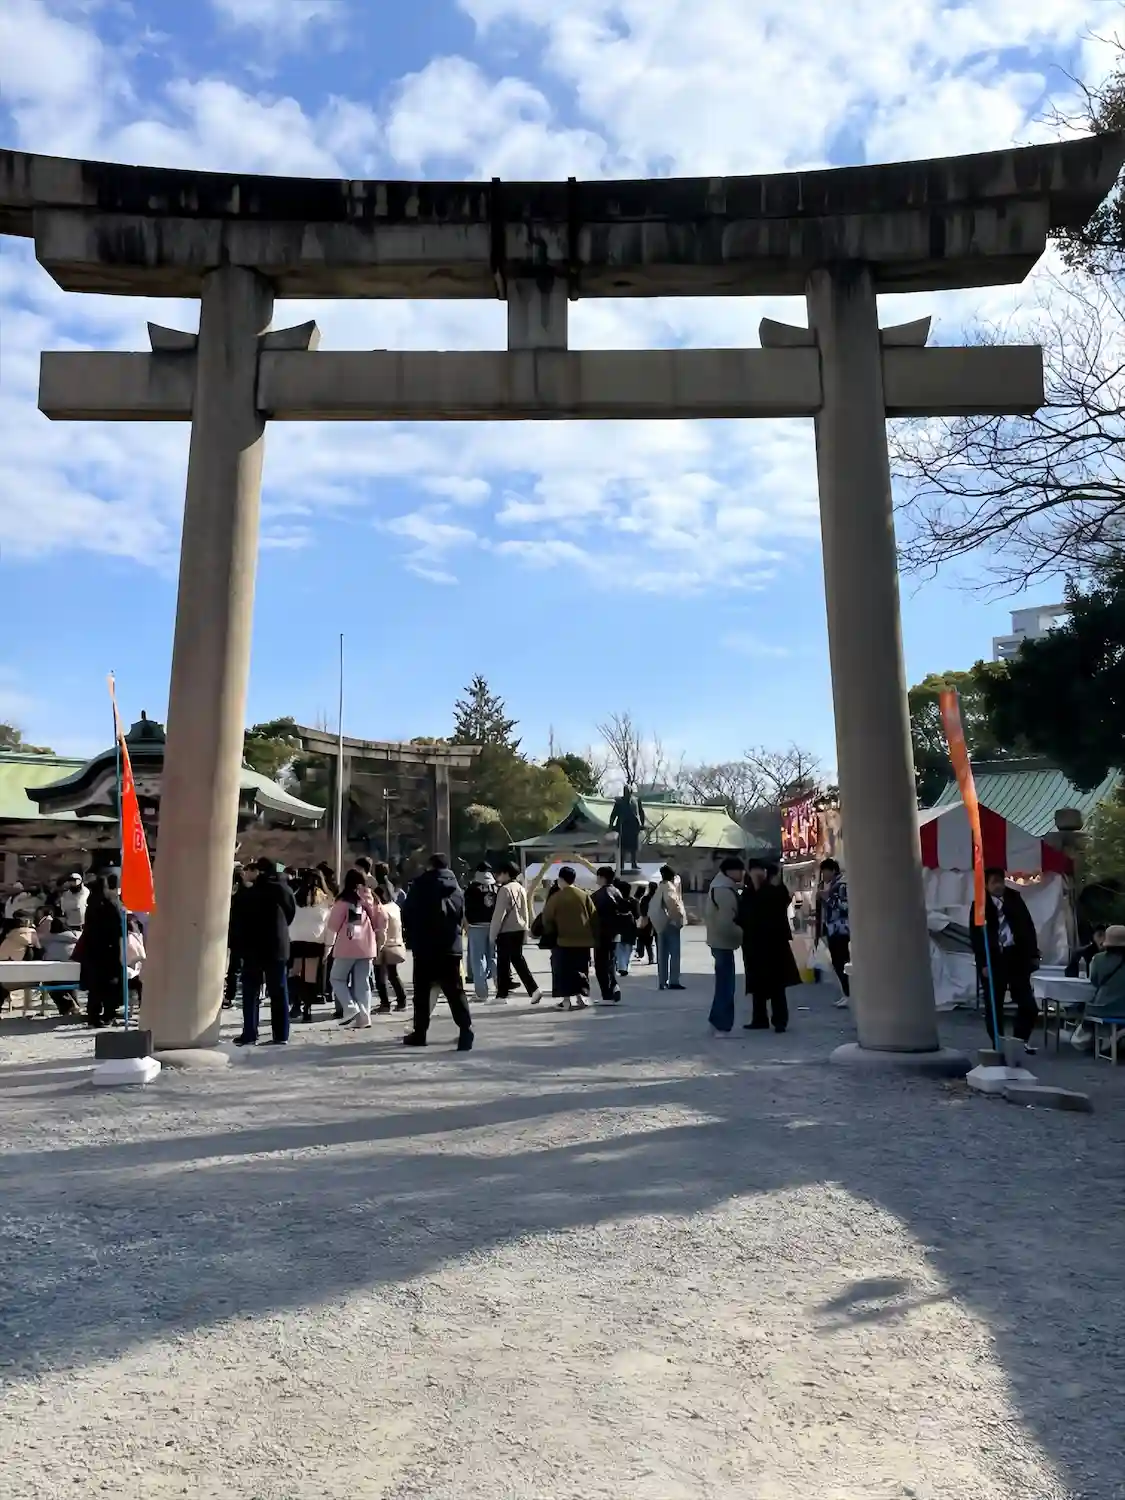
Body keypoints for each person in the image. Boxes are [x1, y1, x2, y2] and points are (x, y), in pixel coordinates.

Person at [401, 854, 474, 1050]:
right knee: (455, 991)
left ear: (430, 866)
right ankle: (465, 1030)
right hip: (451, 947)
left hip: (425, 947)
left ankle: (420, 1033)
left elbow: (408, 912)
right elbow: (461, 915)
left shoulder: (420, 885)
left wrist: (413, 934)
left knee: (422, 993)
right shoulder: (457, 888)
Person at [969, 866, 1040, 1051]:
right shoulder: (980, 904)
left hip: (1016, 957)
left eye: (1000, 881)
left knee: (1028, 1005)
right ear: (986, 885)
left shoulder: (1014, 899)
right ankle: (998, 1044)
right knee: (994, 1007)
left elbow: (1028, 927)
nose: (998, 886)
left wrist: (1034, 954)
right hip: (993, 959)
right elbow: (976, 938)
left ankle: (1019, 1041)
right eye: (994, 882)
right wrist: (982, 963)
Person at [234, 859, 297, 1047]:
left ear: (258, 872)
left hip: (252, 947)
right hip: (277, 946)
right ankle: (281, 1034)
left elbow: (237, 921)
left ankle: (250, 1033)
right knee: (279, 991)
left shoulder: (248, 894)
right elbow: (290, 914)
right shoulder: (284, 890)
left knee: (251, 992)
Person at [739, 861, 798, 1033]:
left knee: (777, 985)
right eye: (753, 872)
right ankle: (759, 1018)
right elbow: (743, 915)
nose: (755, 875)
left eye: (759, 871)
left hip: (774, 945)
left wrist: (765, 886)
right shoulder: (748, 892)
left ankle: (780, 1020)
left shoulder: (775, 890)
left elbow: (782, 902)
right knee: (757, 984)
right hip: (754, 945)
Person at [325, 867, 386, 1028]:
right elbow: (382, 919)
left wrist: (328, 947)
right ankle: (364, 1018)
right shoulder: (372, 899)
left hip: (347, 945)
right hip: (367, 945)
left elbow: (333, 925)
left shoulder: (343, 901)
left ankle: (350, 1007)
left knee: (336, 978)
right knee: (362, 983)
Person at [541, 866, 597, 1011]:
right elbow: (593, 915)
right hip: (584, 941)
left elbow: (547, 918)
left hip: (563, 941)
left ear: (560, 879)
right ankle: (581, 998)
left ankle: (566, 1001)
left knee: (563, 971)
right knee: (581, 970)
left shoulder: (556, 898)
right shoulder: (584, 895)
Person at [489, 863, 542, 1003]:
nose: (497, 876)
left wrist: (492, 934)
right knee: (517, 960)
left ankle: (503, 995)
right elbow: (525, 911)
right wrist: (526, 928)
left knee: (503, 963)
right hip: (519, 929)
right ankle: (532, 990)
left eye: (499, 873)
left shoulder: (504, 890)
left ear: (506, 873)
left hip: (506, 931)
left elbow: (499, 914)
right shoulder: (520, 888)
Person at [79, 875, 126, 1028]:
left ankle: (93, 1016)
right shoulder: (111, 904)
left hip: (92, 949)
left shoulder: (90, 905)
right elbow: (119, 927)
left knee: (95, 985)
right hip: (109, 949)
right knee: (111, 984)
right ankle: (108, 1015)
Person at [705, 857, 744, 1035]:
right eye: (739, 870)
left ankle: (716, 1021)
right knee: (726, 986)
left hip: (718, 941)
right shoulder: (724, 890)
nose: (742, 874)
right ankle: (722, 1025)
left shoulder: (719, 886)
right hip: (723, 942)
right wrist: (742, 933)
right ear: (730, 871)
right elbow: (726, 922)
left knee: (723, 984)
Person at [289, 867, 334, 1022]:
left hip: (296, 939)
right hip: (315, 940)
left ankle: (296, 1004)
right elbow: (330, 926)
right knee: (310, 976)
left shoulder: (296, 897)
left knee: (296, 973)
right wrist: (328, 946)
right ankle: (307, 1009)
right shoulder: (327, 900)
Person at [1072, 924, 1125, 1054]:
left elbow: (1094, 981)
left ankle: (1105, 1039)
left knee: (1085, 1008)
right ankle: (1117, 1037)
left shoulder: (1098, 959)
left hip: (1100, 1007)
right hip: (1123, 1008)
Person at [815, 858, 851, 1007]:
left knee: (841, 961)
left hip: (840, 929)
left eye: (825, 872)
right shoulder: (831, 885)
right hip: (832, 929)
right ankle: (846, 993)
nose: (823, 876)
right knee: (837, 962)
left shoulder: (841, 885)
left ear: (832, 870)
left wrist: (827, 898)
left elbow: (844, 906)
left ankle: (849, 993)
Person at [464, 861, 498, 1001]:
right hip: (493, 925)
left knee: (478, 959)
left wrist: (465, 924)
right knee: (493, 956)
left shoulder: (471, 888)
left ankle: (482, 992)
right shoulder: (496, 888)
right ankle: (500, 987)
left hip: (476, 926)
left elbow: (465, 908)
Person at [648, 865, 686, 991]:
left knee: (662, 954)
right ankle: (674, 981)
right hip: (670, 923)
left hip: (660, 923)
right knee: (674, 953)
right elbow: (673, 904)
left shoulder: (660, 887)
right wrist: (678, 919)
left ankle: (662, 980)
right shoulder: (670, 887)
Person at [591, 866, 626, 1003]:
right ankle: (614, 987)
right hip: (614, 933)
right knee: (610, 962)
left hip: (601, 933)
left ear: (602, 877)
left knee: (601, 965)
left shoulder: (598, 895)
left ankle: (607, 995)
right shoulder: (616, 891)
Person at [38, 911, 80, 1015]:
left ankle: (67, 1007)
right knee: (68, 978)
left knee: (48, 982)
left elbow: (46, 958)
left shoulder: (49, 941)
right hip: (77, 977)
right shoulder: (75, 938)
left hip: (58, 976)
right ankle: (75, 1005)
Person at [373, 885, 408, 1011]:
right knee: (393, 975)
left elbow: (381, 931)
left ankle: (385, 1004)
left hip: (384, 946)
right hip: (396, 944)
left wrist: (377, 947)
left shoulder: (380, 910)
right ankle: (402, 1001)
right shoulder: (395, 907)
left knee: (380, 976)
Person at [225, 866, 253, 1009]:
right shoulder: (249, 892)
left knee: (233, 968)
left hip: (232, 933)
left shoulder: (230, 892)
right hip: (247, 934)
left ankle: (230, 995)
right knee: (244, 967)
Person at [613, 877, 639, 977]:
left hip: (618, 925)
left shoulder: (616, 900)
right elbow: (637, 915)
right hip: (630, 925)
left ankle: (622, 966)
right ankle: (625, 966)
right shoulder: (633, 901)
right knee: (628, 947)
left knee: (619, 947)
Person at [635, 882, 657, 965]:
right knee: (658, 942)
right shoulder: (658, 898)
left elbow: (642, 910)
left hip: (648, 921)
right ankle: (658, 958)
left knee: (648, 941)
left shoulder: (645, 899)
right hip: (658, 921)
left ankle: (650, 958)